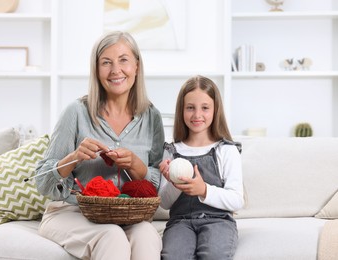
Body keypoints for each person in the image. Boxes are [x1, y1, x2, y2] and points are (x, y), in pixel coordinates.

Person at [35, 31, 164, 260]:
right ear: (96, 70)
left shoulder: (151, 117)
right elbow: (43, 181)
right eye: (106, 62)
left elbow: (158, 183)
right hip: (72, 212)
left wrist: (136, 165)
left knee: (146, 234)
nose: (116, 70)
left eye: (123, 60)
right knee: (111, 236)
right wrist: (73, 157)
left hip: (127, 214)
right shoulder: (76, 112)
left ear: (136, 65)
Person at [159, 75, 244, 260]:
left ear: (215, 110)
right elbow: (164, 203)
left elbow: (237, 200)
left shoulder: (226, 150)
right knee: (173, 256)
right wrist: (174, 183)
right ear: (181, 111)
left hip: (218, 222)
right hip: (180, 222)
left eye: (205, 108)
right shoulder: (171, 152)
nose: (197, 115)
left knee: (214, 255)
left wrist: (204, 190)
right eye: (190, 108)